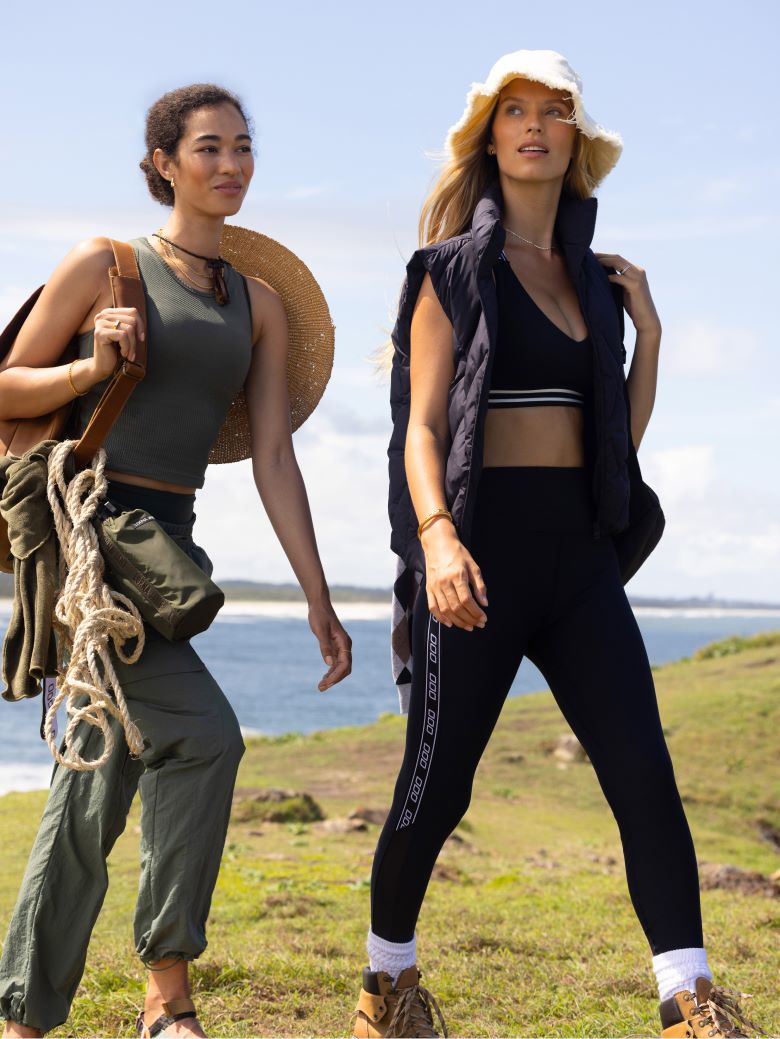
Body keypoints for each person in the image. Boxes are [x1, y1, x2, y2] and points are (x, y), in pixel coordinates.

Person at [352, 50, 763, 1039]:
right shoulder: (449, 273)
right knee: (434, 786)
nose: (536, 126)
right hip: (477, 561)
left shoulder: (597, 283)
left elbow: (614, 437)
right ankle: (388, 985)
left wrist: (649, 338)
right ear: (490, 136)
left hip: (579, 564)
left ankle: (687, 1000)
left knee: (642, 773)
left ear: (577, 139)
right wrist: (439, 540)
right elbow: (418, 428)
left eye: (556, 112)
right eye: (517, 111)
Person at [0, 83, 351, 1039]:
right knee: (207, 734)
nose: (230, 164)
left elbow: (274, 455)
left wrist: (319, 596)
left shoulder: (261, 303)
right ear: (163, 164)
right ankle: (167, 998)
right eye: (208, 148)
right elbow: (5, 391)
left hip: (169, 545)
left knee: (95, 778)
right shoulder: (105, 263)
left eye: (243, 147)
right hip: (88, 540)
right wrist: (89, 366)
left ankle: (23, 1017)